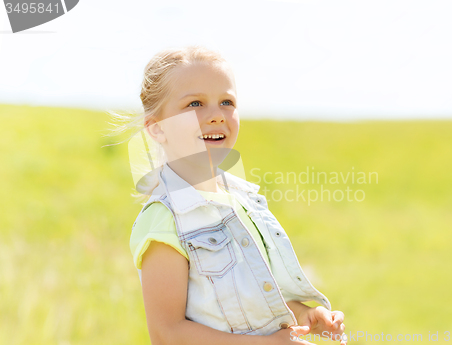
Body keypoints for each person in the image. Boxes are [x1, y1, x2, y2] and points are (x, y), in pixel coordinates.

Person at [119, 45, 347, 345]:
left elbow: (249, 297)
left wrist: (302, 315)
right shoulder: (164, 220)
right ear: (157, 129)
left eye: (226, 101)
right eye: (195, 104)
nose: (216, 115)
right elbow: (167, 334)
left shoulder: (243, 203)